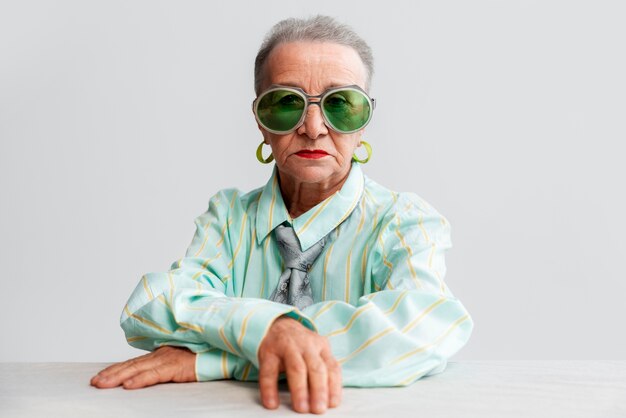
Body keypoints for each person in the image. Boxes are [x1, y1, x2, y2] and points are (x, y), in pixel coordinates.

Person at [90, 15, 474, 414]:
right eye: (286, 102)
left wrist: (230, 355)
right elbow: (151, 306)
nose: (313, 128)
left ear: (364, 125)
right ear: (260, 121)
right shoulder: (229, 218)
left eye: (340, 104)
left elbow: (423, 328)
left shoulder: (405, 221)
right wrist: (270, 329)